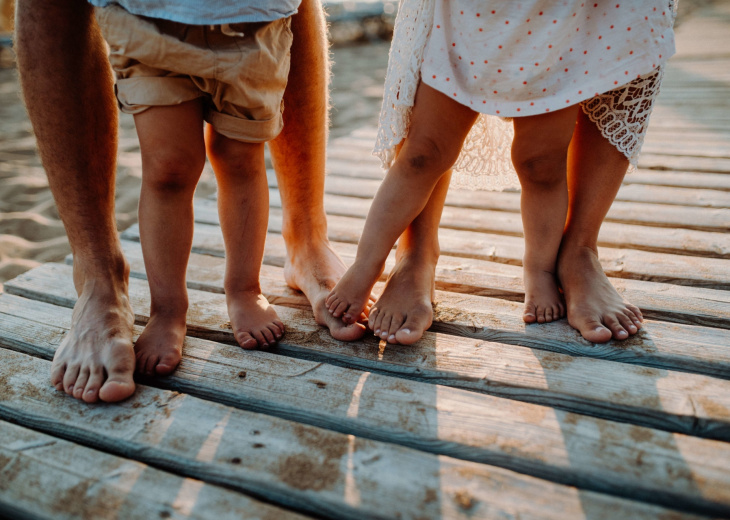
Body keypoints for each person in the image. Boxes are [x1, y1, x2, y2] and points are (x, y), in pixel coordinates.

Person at [14, 0, 363, 403]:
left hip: (254, 21)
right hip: (149, 21)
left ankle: (244, 289)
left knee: (240, 159)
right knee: (167, 167)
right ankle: (167, 308)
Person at [326, 0, 675, 345]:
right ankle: (367, 264)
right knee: (423, 155)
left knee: (541, 165)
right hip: (469, 20)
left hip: (558, 26)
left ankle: (540, 269)